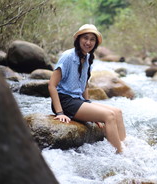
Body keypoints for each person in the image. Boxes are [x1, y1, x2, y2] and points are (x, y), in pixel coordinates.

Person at [48, 24, 126, 153]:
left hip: (78, 101)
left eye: (92, 39)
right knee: (109, 115)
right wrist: (60, 113)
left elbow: (84, 84)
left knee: (117, 112)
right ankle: (120, 154)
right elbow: (51, 85)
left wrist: (91, 108)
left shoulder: (88, 57)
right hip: (65, 101)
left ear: (95, 43)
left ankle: (124, 146)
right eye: (85, 38)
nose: (88, 42)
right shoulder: (68, 56)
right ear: (78, 39)